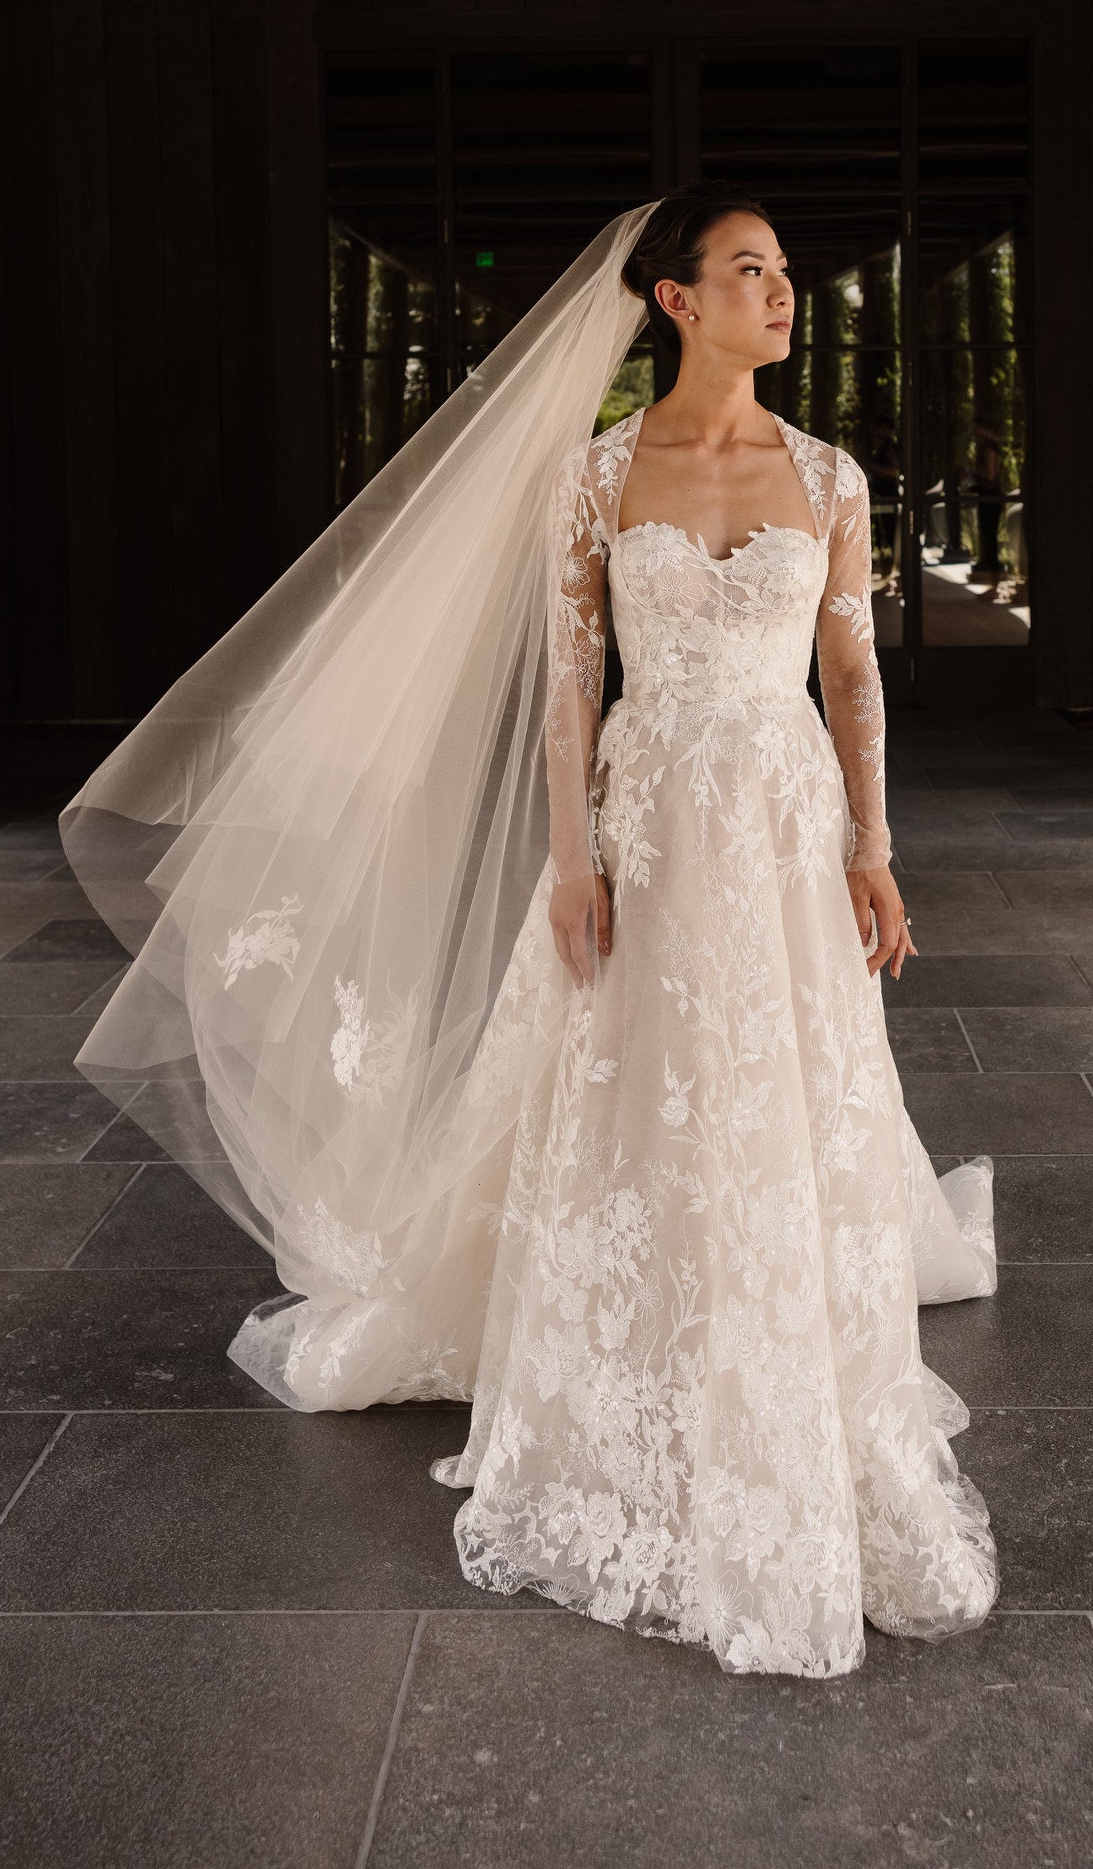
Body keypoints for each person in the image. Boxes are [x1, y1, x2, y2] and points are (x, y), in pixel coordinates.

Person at [64, 185, 998, 1680]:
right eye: (749, 271)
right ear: (676, 301)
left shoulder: (827, 476)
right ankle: (625, 1330)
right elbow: (571, 679)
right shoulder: (595, 474)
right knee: (631, 1063)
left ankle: (773, 1312)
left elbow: (853, 678)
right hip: (643, 812)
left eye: (784, 274)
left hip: (771, 814)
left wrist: (870, 846)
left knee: (774, 1067)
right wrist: (571, 861)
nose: (782, 294)